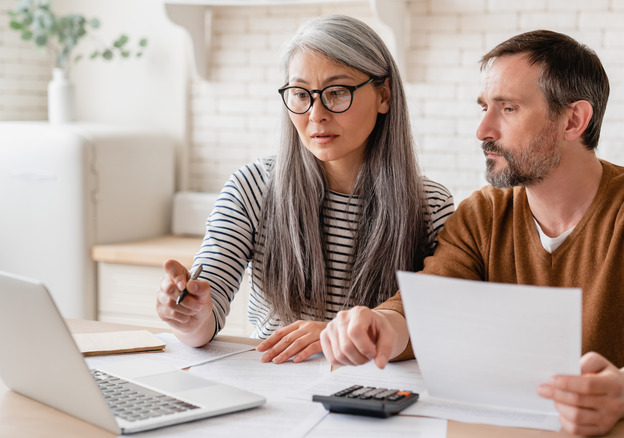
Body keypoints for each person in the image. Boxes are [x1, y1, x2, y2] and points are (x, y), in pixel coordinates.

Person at [319, 29, 624, 436]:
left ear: (574, 120)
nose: (483, 130)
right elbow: (428, 305)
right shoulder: (482, 214)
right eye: (484, 108)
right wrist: (379, 326)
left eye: (508, 109)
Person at [155, 15, 453, 365]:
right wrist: (188, 313)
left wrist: (335, 338)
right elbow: (205, 316)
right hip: (278, 384)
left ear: (384, 95)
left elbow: (437, 325)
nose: (316, 114)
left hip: (377, 391)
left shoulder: (430, 205)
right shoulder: (253, 186)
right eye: (300, 94)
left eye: (337, 92)